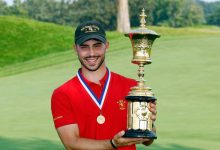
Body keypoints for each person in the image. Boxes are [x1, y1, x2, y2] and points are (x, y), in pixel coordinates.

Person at [51, 21, 157, 150]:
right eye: (84, 47)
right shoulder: (63, 93)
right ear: (75, 49)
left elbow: (147, 142)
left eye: (97, 46)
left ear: (106, 45)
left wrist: (148, 124)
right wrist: (113, 144)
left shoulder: (132, 87)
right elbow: (71, 143)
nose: (91, 53)